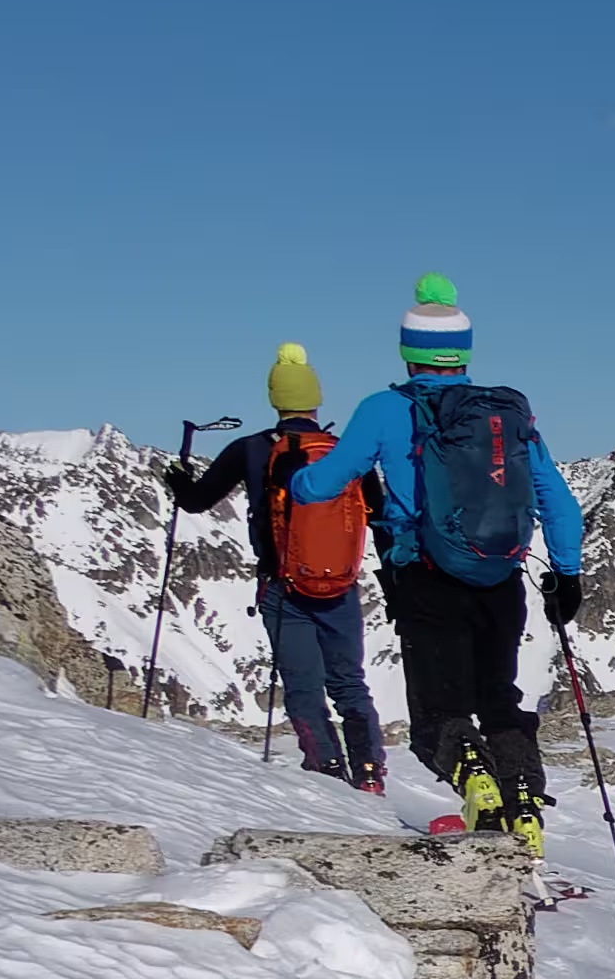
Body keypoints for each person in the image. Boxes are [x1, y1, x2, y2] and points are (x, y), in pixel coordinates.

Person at [288, 273, 586, 848]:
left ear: (407, 350)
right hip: (501, 578)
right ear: (465, 351)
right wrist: (567, 574)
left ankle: (472, 776)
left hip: (424, 575)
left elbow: (324, 482)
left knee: (436, 715)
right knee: (499, 697)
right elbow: (557, 500)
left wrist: (294, 481)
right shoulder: (507, 413)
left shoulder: (383, 409)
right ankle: (522, 802)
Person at [165, 342, 384, 787]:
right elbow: (378, 513)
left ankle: (327, 771)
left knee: (304, 688)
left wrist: (178, 480)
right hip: (340, 585)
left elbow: (195, 502)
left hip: (283, 586)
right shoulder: (345, 452)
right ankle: (369, 773)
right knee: (349, 684)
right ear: (315, 400)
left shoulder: (249, 450)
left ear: (275, 400)